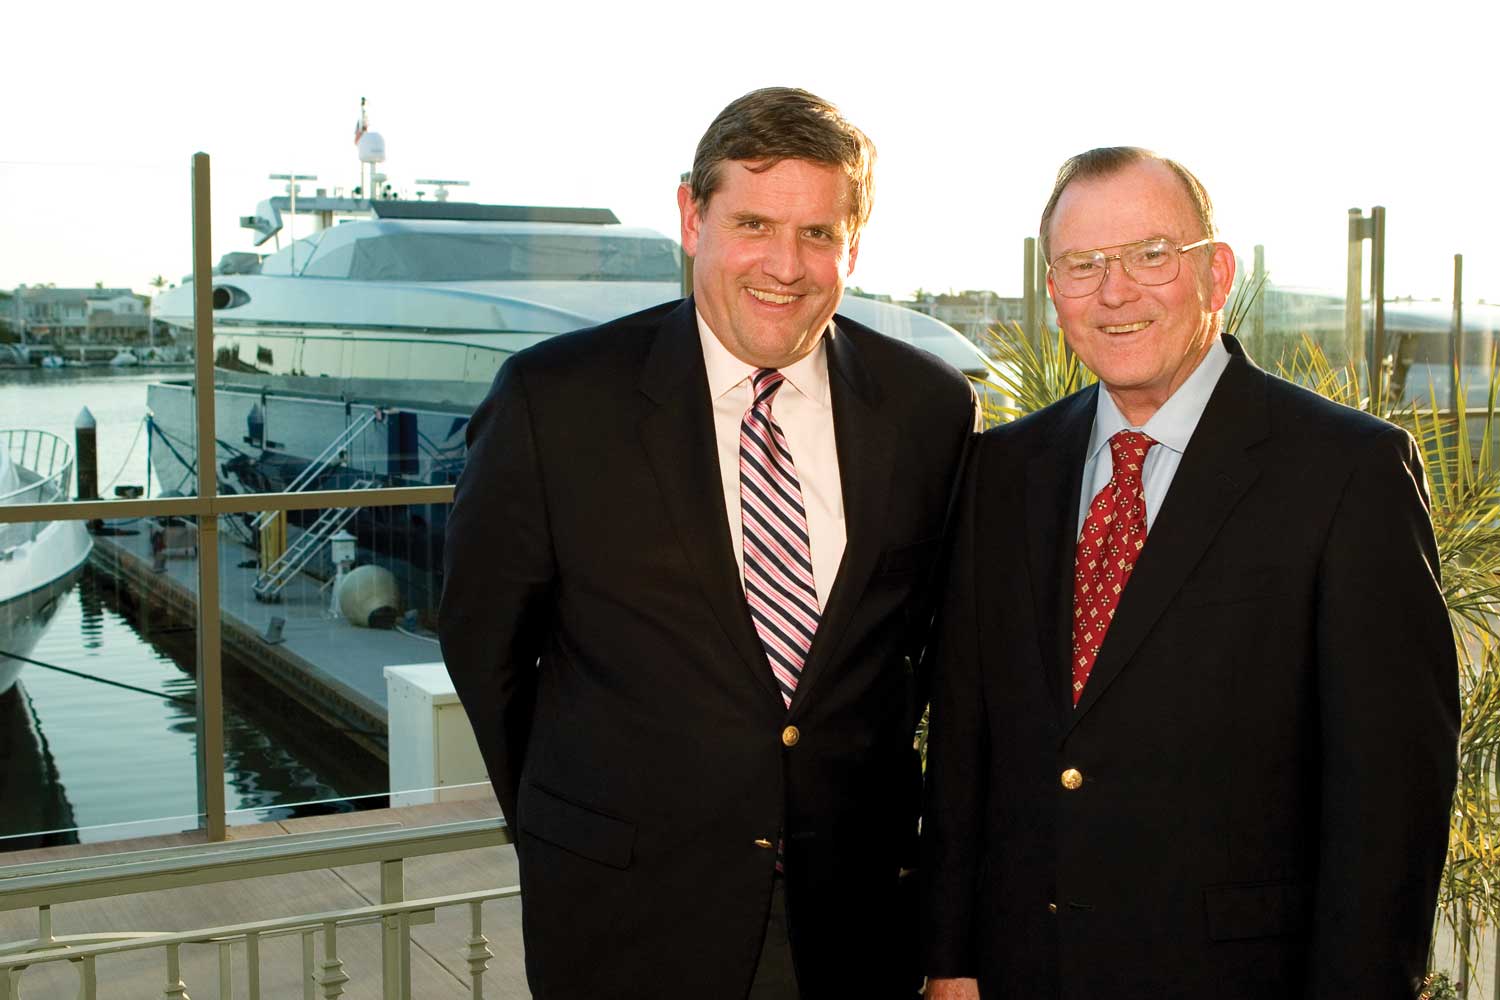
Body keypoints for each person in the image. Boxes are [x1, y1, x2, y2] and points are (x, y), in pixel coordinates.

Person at [440, 87, 974, 999]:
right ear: (692, 216)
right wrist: (581, 825)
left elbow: (927, 657)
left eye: (818, 232)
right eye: (754, 222)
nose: (785, 264)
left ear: (855, 241)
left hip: (852, 925)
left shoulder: (929, 409)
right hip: (625, 920)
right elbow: (485, 647)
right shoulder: (554, 402)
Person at [920, 147, 1458, 999]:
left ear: (1215, 271)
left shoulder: (1346, 472)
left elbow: (1391, 798)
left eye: (1150, 255)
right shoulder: (1003, 472)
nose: (1115, 290)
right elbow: (963, 740)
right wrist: (950, 958)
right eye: (1082, 264)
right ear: (1052, 287)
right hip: (1022, 971)